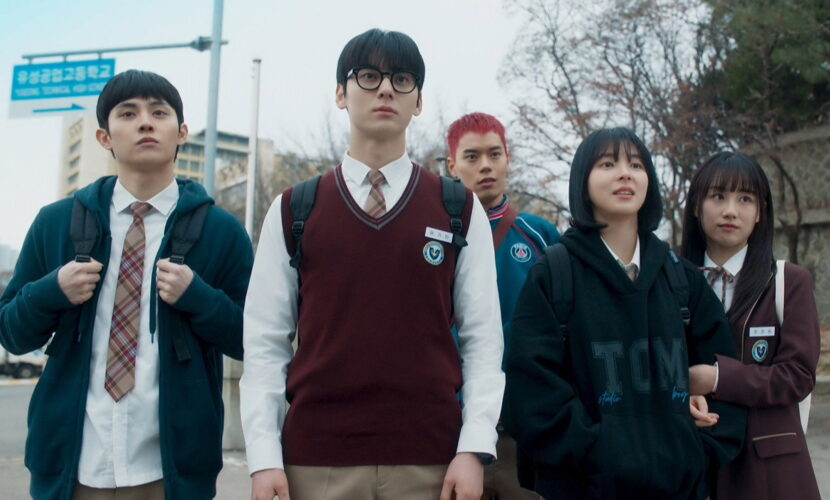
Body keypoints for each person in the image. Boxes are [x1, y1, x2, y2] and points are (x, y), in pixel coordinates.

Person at [241, 29, 504, 500]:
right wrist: (263, 456)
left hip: (432, 460)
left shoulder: (458, 209)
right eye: (368, 76)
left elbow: (483, 340)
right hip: (315, 461)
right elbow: (264, 344)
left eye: (401, 79)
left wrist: (474, 447)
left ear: (418, 101)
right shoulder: (294, 210)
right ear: (340, 93)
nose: (385, 89)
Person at [0, 69, 253, 500]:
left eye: (159, 112)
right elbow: (12, 333)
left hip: (172, 474)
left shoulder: (222, 231)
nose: (145, 123)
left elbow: (253, 340)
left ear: (182, 133)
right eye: (128, 113)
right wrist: (51, 291)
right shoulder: (55, 223)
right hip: (73, 470)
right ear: (105, 137)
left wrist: (200, 299)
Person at [503, 127, 746, 499]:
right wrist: (600, 453)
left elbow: (726, 377)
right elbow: (531, 393)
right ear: (582, 182)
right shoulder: (554, 275)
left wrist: (694, 453)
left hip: (678, 490)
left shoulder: (681, 279)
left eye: (636, 164)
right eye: (607, 164)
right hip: (583, 489)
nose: (624, 174)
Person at [681, 151, 821, 500]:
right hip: (692, 462)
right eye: (718, 196)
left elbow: (798, 376)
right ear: (697, 206)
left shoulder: (788, 282)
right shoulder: (671, 282)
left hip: (770, 473)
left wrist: (717, 379)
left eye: (745, 199)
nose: (731, 210)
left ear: (760, 212)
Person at [446, 112, 557, 499]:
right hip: (450, 432)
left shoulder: (541, 236)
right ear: (452, 165)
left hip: (522, 432)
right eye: (472, 156)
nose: (486, 166)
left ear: (508, 159)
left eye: (494, 154)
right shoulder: (434, 237)